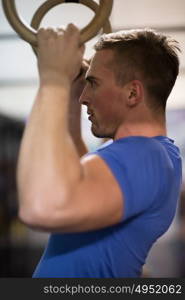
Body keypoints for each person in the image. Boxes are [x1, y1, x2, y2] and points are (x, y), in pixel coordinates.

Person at [16, 24, 182, 278]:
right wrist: (70, 99)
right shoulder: (157, 154)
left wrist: (53, 78)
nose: (84, 97)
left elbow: (42, 207)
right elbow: (82, 176)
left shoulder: (145, 155)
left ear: (132, 93)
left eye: (93, 83)